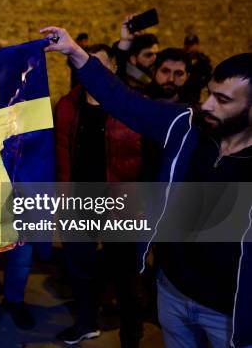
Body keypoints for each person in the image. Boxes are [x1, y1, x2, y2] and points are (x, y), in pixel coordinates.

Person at [42, 25, 252, 348]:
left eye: (222, 99)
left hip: (228, 314)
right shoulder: (186, 126)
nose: (208, 105)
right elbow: (124, 102)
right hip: (172, 294)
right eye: (209, 93)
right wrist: (75, 52)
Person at [55, 44, 144, 346]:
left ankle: (131, 335)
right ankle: (86, 322)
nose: (91, 68)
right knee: (80, 267)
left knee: (125, 272)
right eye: (87, 62)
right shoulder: (69, 104)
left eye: (100, 63)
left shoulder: (129, 103)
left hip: (119, 201)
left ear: (114, 68)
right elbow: (62, 151)